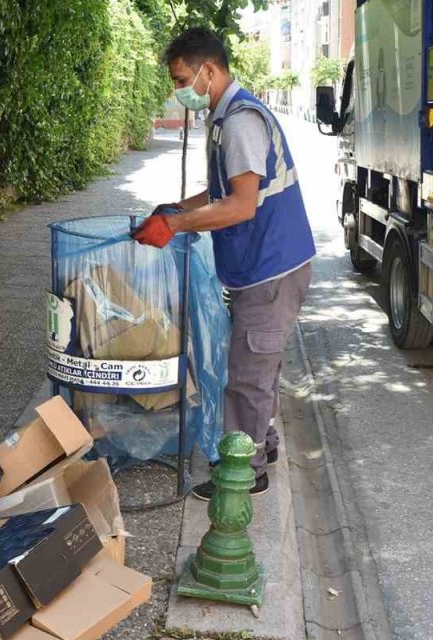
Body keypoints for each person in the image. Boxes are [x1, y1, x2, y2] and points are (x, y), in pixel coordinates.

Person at [132, 28, 315, 501]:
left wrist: (177, 226)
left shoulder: (239, 122)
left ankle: (244, 472)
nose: (179, 91)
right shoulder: (225, 116)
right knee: (262, 368)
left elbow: (241, 206)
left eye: (181, 79)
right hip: (265, 263)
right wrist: (175, 209)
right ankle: (264, 445)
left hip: (271, 266)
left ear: (208, 71)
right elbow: (219, 193)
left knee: (248, 374)